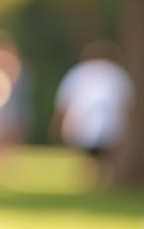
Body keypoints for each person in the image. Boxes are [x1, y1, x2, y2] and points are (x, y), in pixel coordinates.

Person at [53, 41, 133, 175]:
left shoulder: (79, 72)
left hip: (86, 123)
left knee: (91, 155)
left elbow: (65, 102)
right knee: (102, 155)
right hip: (106, 124)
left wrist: (59, 124)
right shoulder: (117, 73)